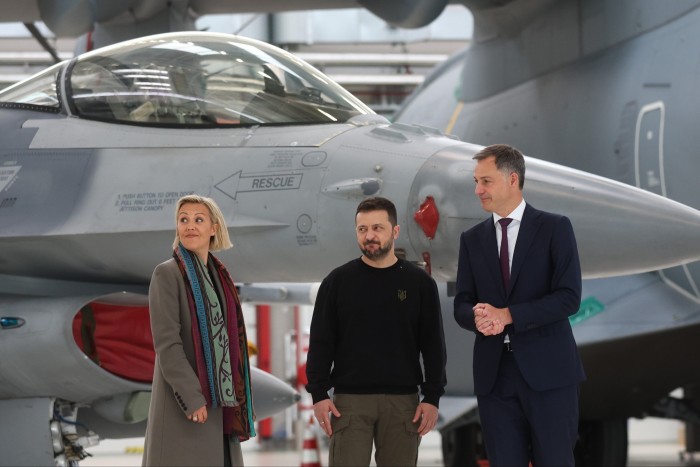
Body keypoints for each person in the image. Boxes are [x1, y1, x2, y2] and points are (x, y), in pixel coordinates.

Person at [453, 144, 586, 466]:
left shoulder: (555, 228)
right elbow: (462, 302)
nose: (477, 190)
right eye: (476, 181)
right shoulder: (471, 240)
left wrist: (508, 315)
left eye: (485, 181)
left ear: (512, 179)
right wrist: (478, 318)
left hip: (549, 373)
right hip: (494, 375)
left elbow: (569, 297)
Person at [306, 196, 447, 467]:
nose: (369, 236)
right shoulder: (337, 282)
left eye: (378, 228)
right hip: (349, 403)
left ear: (395, 231)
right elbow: (321, 342)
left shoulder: (420, 284)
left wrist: (432, 397)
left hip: (403, 403)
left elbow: (433, 346)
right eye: (362, 229)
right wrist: (319, 394)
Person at [142, 194, 255, 466]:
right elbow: (167, 344)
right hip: (188, 408)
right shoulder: (166, 274)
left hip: (220, 408)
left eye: (198, 219)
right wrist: (192, 398)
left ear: (213, 228)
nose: (190, 226)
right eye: (184, 220)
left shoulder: (220, 276)